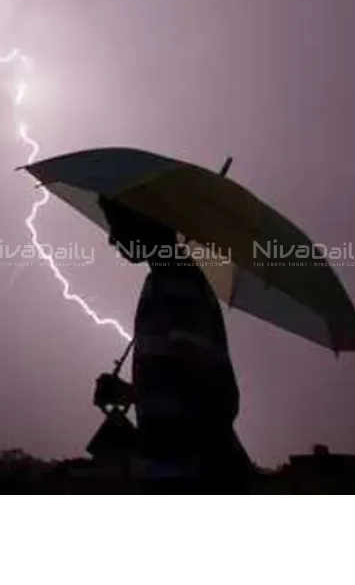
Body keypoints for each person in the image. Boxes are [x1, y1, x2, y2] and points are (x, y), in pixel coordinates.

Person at [94, 194, 253, 493]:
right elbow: (179, 385)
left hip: (196, 478)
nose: (113, 240)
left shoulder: (181, 286)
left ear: (147, 221)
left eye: (118, 225)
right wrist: (128, 393)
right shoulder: (159, 283)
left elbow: (211, 397)